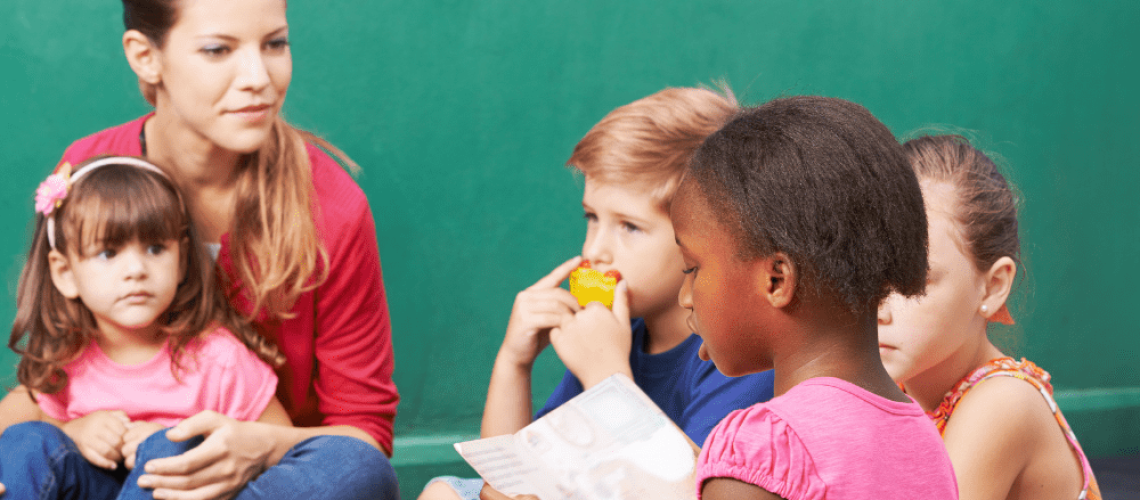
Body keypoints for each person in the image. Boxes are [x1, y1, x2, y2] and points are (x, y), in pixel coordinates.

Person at [22, 0, 401, 498]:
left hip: (259, 480)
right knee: (29, 446)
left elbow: (363, 432)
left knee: (359, 468)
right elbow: (50, 377)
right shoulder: (90, 171)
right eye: (218, 50)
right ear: (145, 56)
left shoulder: (332, 208)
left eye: (275, 44)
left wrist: (259, 447)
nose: (258, 78)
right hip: (107, 474)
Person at [421, 86, 775, 500]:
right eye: (592, 217)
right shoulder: (614, 333)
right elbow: (504, 489)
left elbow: (684, 492)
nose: (595, 250)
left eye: (629, 226)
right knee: (444, 493)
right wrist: (514, 363)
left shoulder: (738, 356)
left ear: (701, 236)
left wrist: (607, 376)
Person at [671, 97, 958, 499]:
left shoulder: (760, 449)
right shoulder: (925, 441)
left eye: (692, 269)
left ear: (776, 280)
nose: (685, 297)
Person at [0, 156, 289, 499]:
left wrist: (180, 441)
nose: (136, 269)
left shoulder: (217, 357)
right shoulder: (67, 355)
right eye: (108, 253)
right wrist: (73, 431)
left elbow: (281, 446)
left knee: (166, 450)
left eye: (155, 249)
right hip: (90, 487)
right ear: (65, 273)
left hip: (178, 491)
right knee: (28, 439)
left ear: (181, 260)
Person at [877, 135, 1101, 500]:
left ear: (993, 286)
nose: (879, 309)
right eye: (869, 273)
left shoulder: (1002, 404)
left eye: (914, 279)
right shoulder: (898, 389)